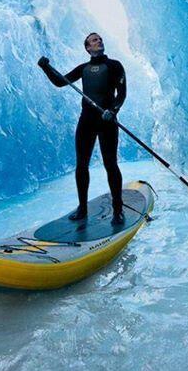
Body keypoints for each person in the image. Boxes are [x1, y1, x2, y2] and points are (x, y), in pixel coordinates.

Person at [38, 32, 127, 226]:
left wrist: (113, 110)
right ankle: (82, 208)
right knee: (81, 165)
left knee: (110, 165)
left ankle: (118, 210)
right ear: (88, 47)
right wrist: (45, 67)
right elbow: (61, 82)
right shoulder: (84, 68)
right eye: (94, 40)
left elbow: (122, 93)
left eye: (100, 39)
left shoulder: (114, 66)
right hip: (86, 121)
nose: (99, 41)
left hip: (107, 121)